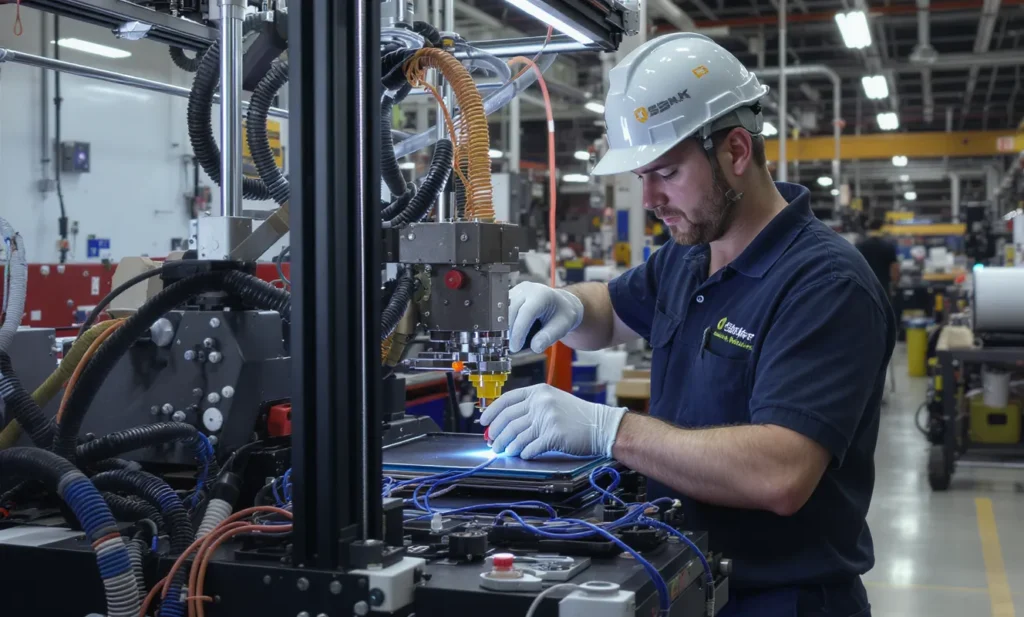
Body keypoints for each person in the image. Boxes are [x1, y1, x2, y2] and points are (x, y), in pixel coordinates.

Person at [481, 33, 894, 617]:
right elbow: (609, 309)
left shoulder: (826, 285)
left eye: (667, 172)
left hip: (780, 599)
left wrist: (610, 430)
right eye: (641, 175)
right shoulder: (691, 253)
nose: (649, 197)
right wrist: (565, 303)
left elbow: (782, 472)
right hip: (685, 580)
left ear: (737, 152)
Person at [856, 219, 900, 294]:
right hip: (883, 286)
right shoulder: (888, 246)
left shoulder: (860, 245)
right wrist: (895, 284)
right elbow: (894, 267)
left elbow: (856, 266)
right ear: (881, 228)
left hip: (865, 286)